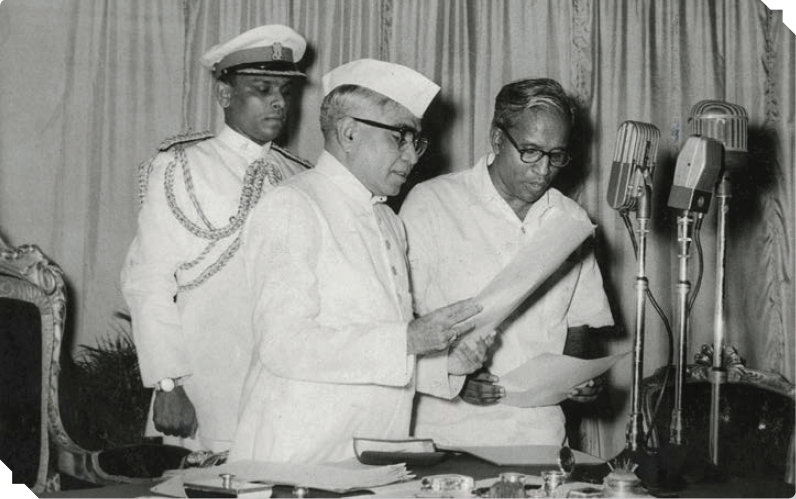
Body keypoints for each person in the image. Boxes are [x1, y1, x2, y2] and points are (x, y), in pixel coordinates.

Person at [230, 59, 488, 464]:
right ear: (348, 133)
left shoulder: (387, 220)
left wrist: (448, 363)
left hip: (372, 456)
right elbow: (283, 346)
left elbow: (379, 357)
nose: (412, 156)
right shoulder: (293, 205)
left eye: (415, 142)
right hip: (299, 460)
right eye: (400, 137)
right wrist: (408, 339)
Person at [121, 25, 312, 452]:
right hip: (205, 386)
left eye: (284, 90)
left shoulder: (301, 175)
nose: (279, 101)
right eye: (262, 89)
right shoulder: (181, 166)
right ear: (225, 95)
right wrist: (167, 382)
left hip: (284, 389)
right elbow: (148, 281)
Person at [400, 78, 615, 447]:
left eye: (556, 155)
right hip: (447, 435)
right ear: (497, 139)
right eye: (530, 151)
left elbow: (580, 320)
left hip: (541, 438)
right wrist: (454, 375)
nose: (544, 170)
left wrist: (573, 376)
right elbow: (401, 320)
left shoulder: (571, 219)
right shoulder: (432, 203)